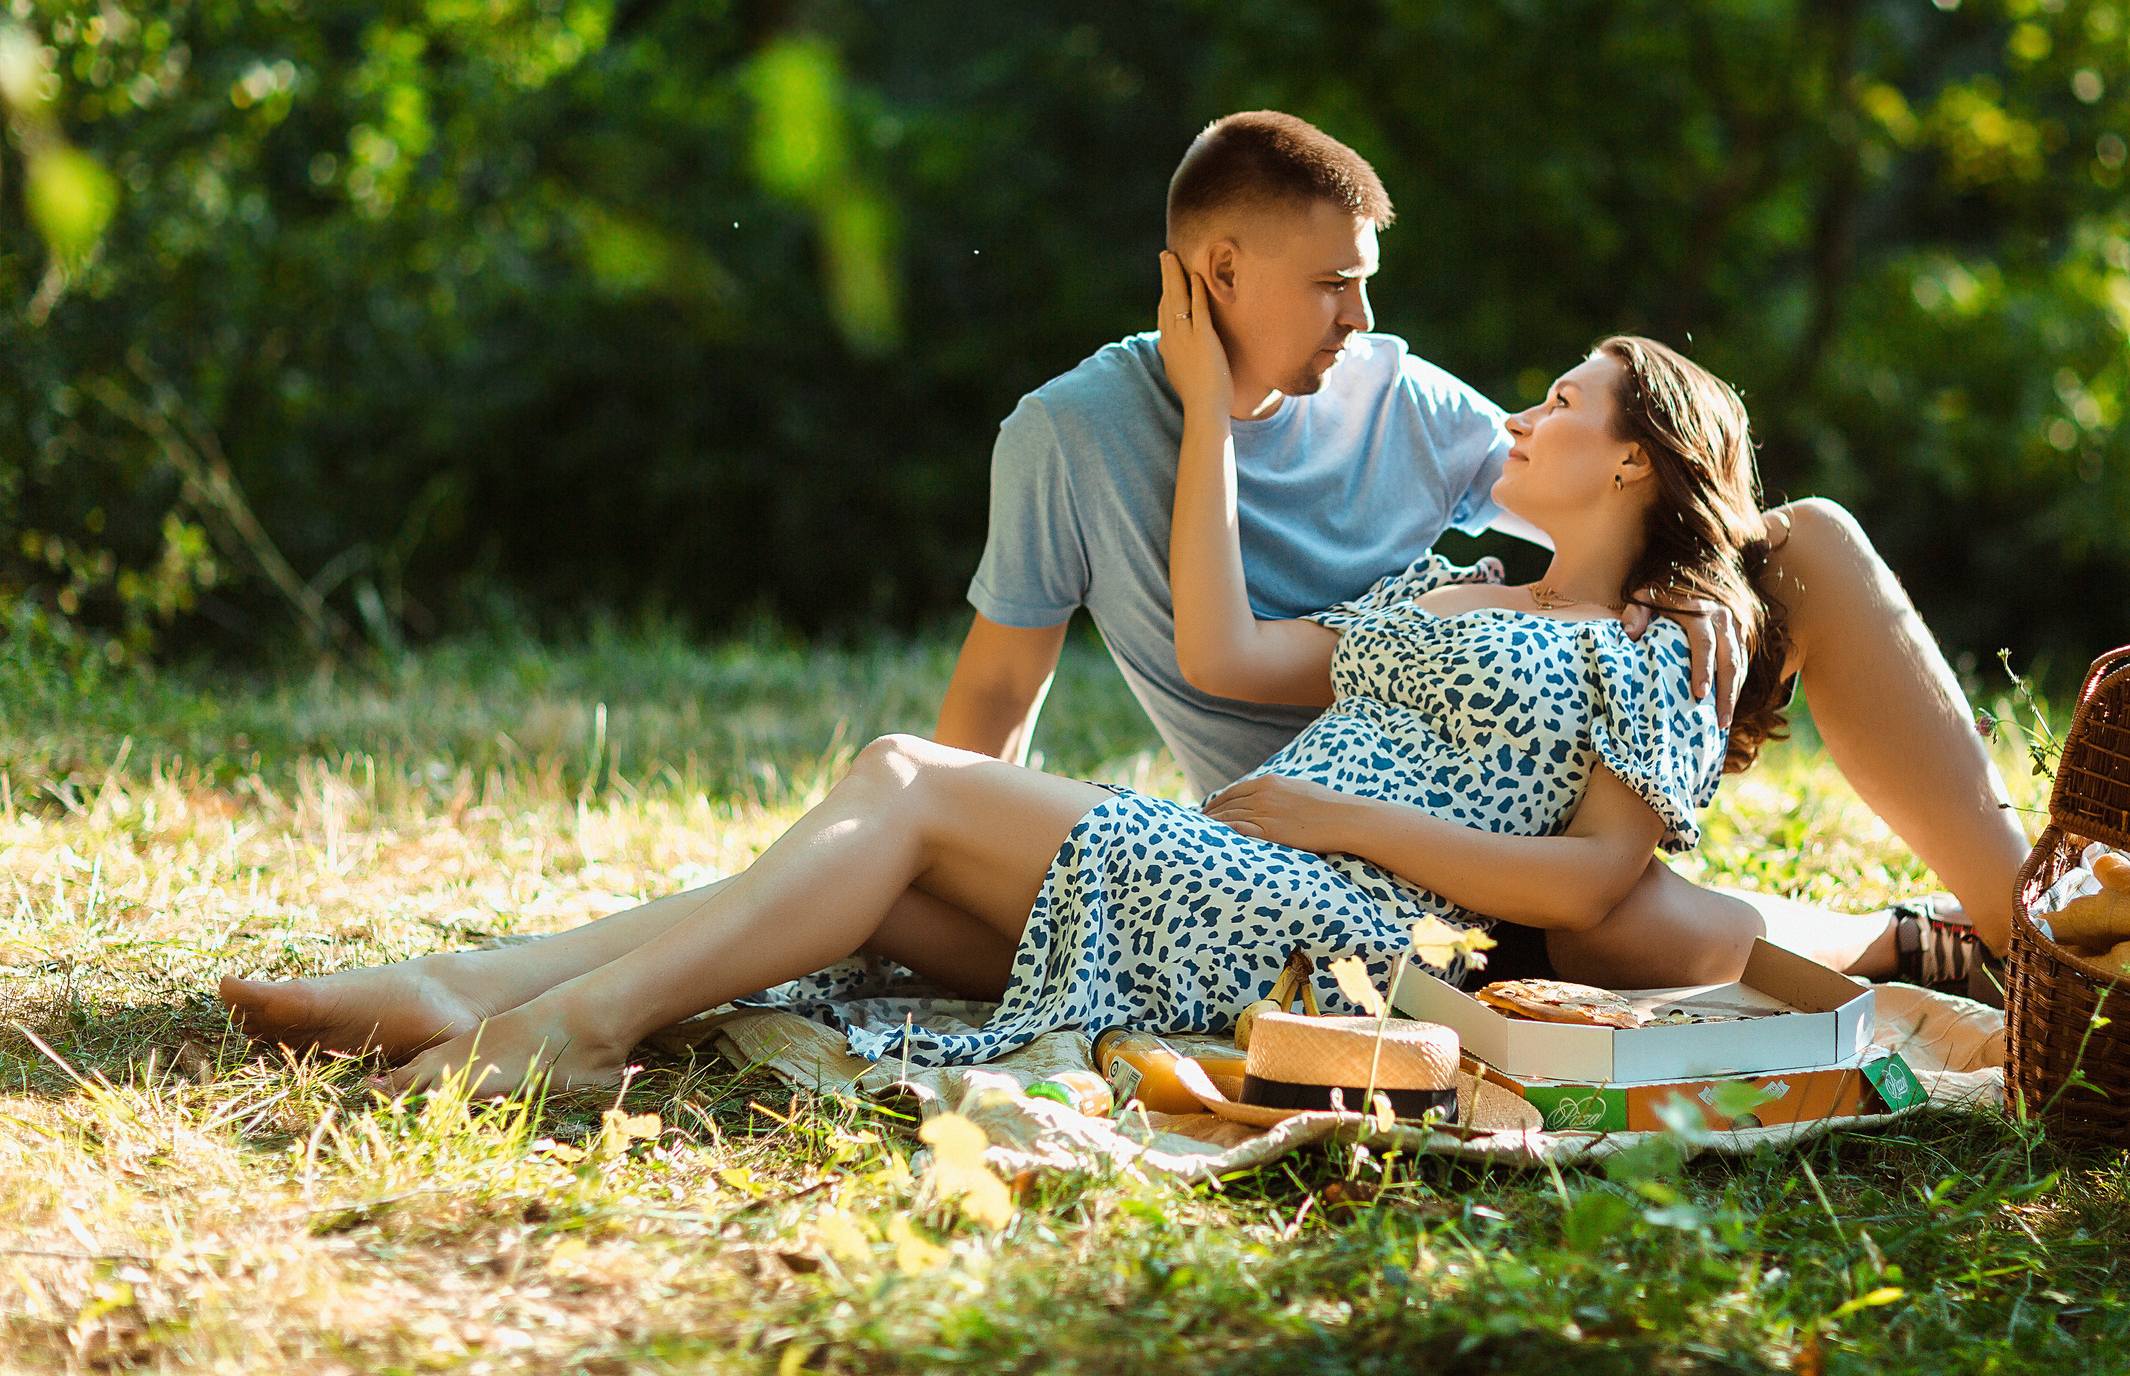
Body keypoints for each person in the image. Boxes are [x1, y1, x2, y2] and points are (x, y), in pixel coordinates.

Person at [220, 327, 1832, 1097]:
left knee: (909, 778)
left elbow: (1593, 887)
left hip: (1353, 926)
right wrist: (1208, 414)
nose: (1530, 411)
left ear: (1634, 458)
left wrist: (1340, 816)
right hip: (1232, 879)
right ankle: (468, 988)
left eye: (1567, 400)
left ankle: (565, 1022)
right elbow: (1231, 641)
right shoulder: (1448, 585)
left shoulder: (1654, 643)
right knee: (883, 875)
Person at [937, 112, 2026, 992]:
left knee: (1812, 540)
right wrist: (965, 866)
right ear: (1218, 270)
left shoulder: (1400, 401)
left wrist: (1698, 591)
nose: (1359, 316)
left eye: (1362, 280)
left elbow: (1609, 485)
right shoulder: (1070, 434)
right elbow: (1000, 682)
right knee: (1614, 926)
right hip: (1305, 848)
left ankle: (2032, 926)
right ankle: (1894, 941)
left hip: (1515, 798)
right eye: (1331, 284)